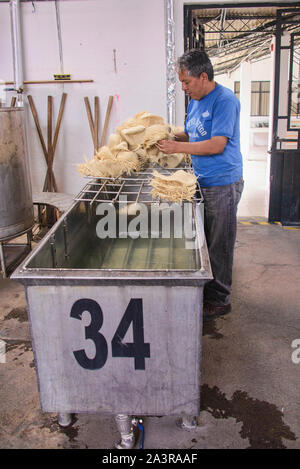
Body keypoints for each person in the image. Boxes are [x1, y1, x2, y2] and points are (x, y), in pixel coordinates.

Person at [157, 49, 244, 321]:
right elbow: (192, 131)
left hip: (221, 182)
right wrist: (165, 134)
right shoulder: (195, 100)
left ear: (203, 76)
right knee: (204, 239)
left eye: (186, 82)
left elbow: (217, 144)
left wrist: (178, 147)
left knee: (220, 242)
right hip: (200, 180)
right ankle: (206, 289)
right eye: (181, 82)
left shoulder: (224, 100)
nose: (183, 88)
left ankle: (219, 300)